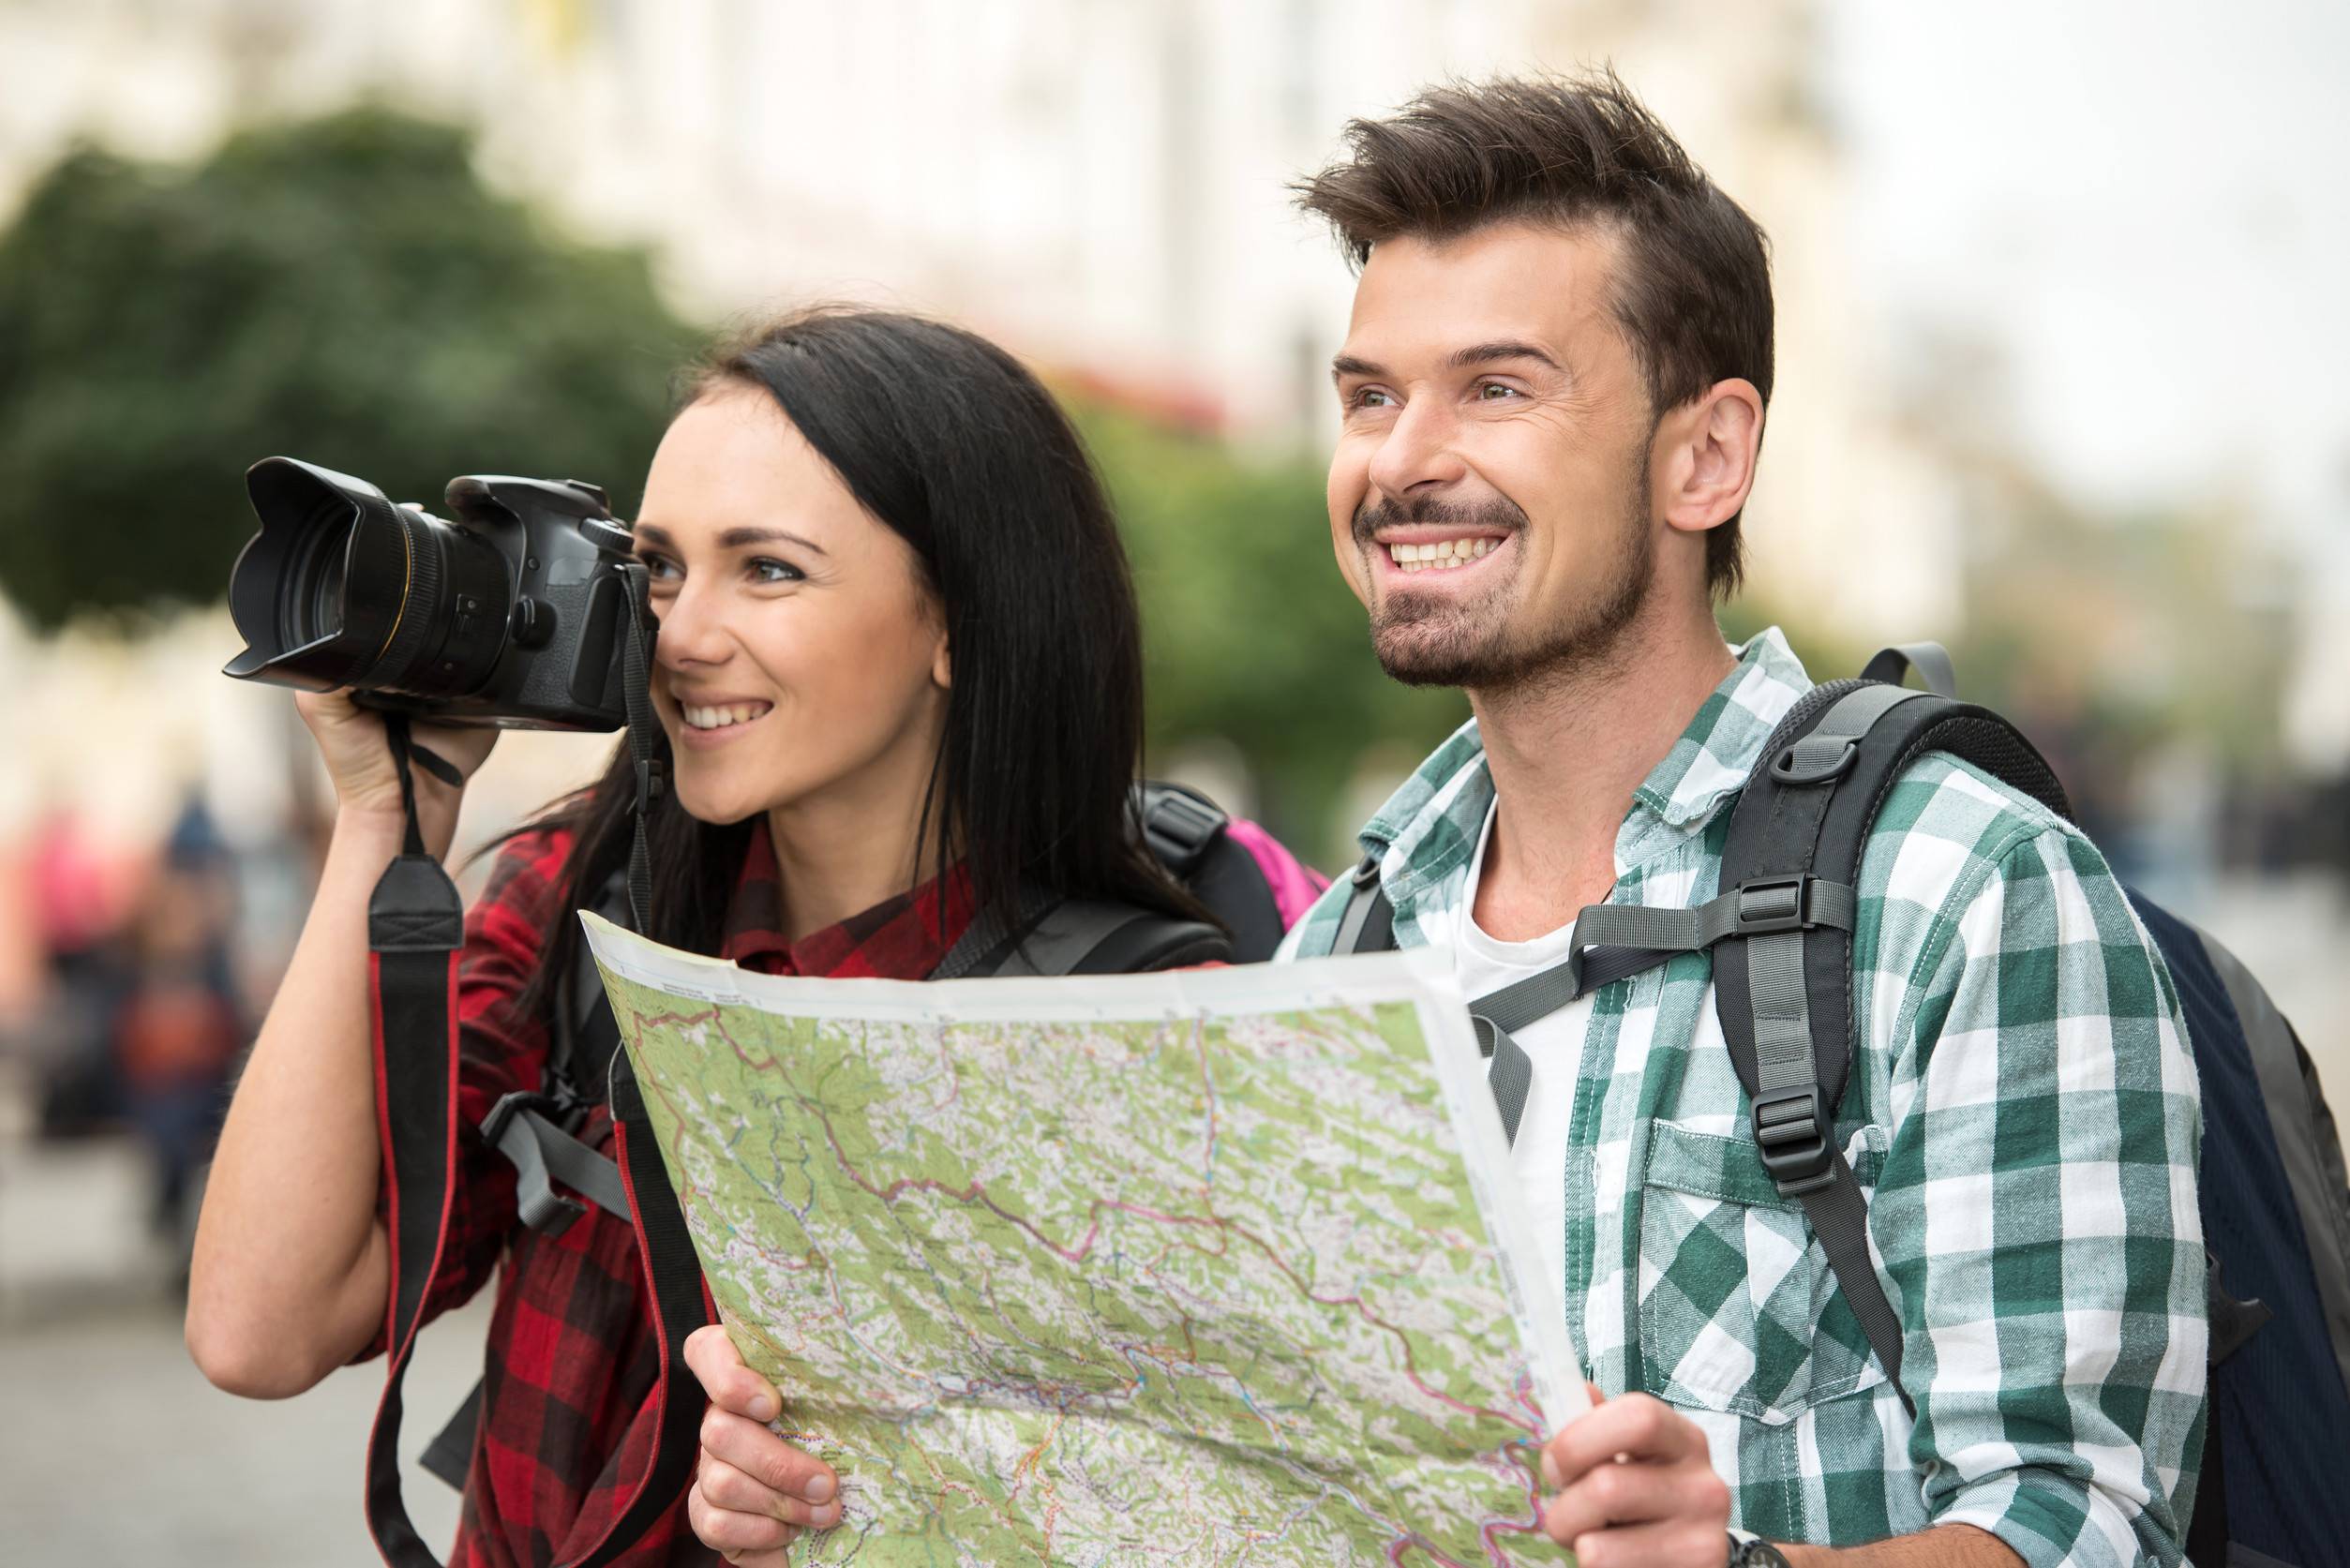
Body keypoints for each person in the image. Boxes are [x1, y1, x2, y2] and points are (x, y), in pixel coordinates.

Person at [687, 77, 2206, 1568]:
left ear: (1705, 456)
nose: (1400, 461)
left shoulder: (1961, 887)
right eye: (1367, 396)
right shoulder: (1339, 940)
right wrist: (846, 1497)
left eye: (1496, 386)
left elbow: (2090, 1521)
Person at [185, 306, 1318, 1566]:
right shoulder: (590, 894)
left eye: (767, 569)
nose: (681, 636)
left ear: (960, 620)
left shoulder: (1127, 1027)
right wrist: (384, 824)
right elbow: (260, 1327)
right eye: (659, 568)